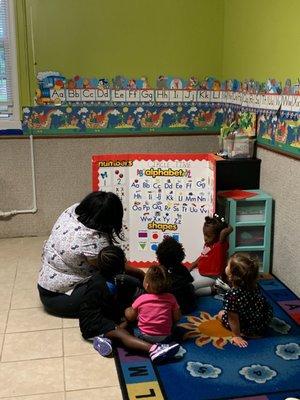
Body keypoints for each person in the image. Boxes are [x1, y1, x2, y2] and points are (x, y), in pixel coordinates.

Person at [37, 191, 144, 318]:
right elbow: (116, 267)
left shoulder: (71, 211)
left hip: (45, 286)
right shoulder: (94, 240)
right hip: (63, 299)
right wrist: (142, 274)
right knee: (118, 282)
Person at [79, 245, 180, 363]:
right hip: (92, 324)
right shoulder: (101, 285)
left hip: (100, 317)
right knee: (122, 332)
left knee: (127, 321)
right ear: (119, 266)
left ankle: (105, 340)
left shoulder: (106, 276)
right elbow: (106, 309)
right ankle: (153, 349)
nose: (126, 261)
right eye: (124, 259)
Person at [218, 252, 273, 348]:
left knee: (221, 314)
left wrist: (237, 336)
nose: (226, 267)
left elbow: (233, 318)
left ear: (231, 275)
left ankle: (246, 333)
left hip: (245, 325)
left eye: (228, 266)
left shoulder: (232, 295)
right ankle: (255, 332)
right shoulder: (255, 286)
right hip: (262, 322)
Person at [125, 265, 181, 344]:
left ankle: (149, 347)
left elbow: (131, 317)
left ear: (147, 285)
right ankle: (168, 345)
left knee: (130, 329)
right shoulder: (171, 298)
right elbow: (177, 318)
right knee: (178, 329)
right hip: (165, 337)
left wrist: (127, 310)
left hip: (145, 336)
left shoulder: (142, 298)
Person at [189, 214, 233, 296]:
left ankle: (215, 290)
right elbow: (202, 256)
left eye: (208, 236)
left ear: (218, 236)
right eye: (204, 235)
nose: (205, 238)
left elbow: (229, 229)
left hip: (212, 277)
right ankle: (214, 289)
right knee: (187, 281)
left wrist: (223, 224)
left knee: (191, 288)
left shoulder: (219, 245)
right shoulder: (208, 244)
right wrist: (192, 266)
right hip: (201, 272)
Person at [156, 236, 196, 314]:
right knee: (191, 286)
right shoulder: (182, 268)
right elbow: (191, 279)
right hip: (186, 307)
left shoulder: (159, 271)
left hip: (166, 308)